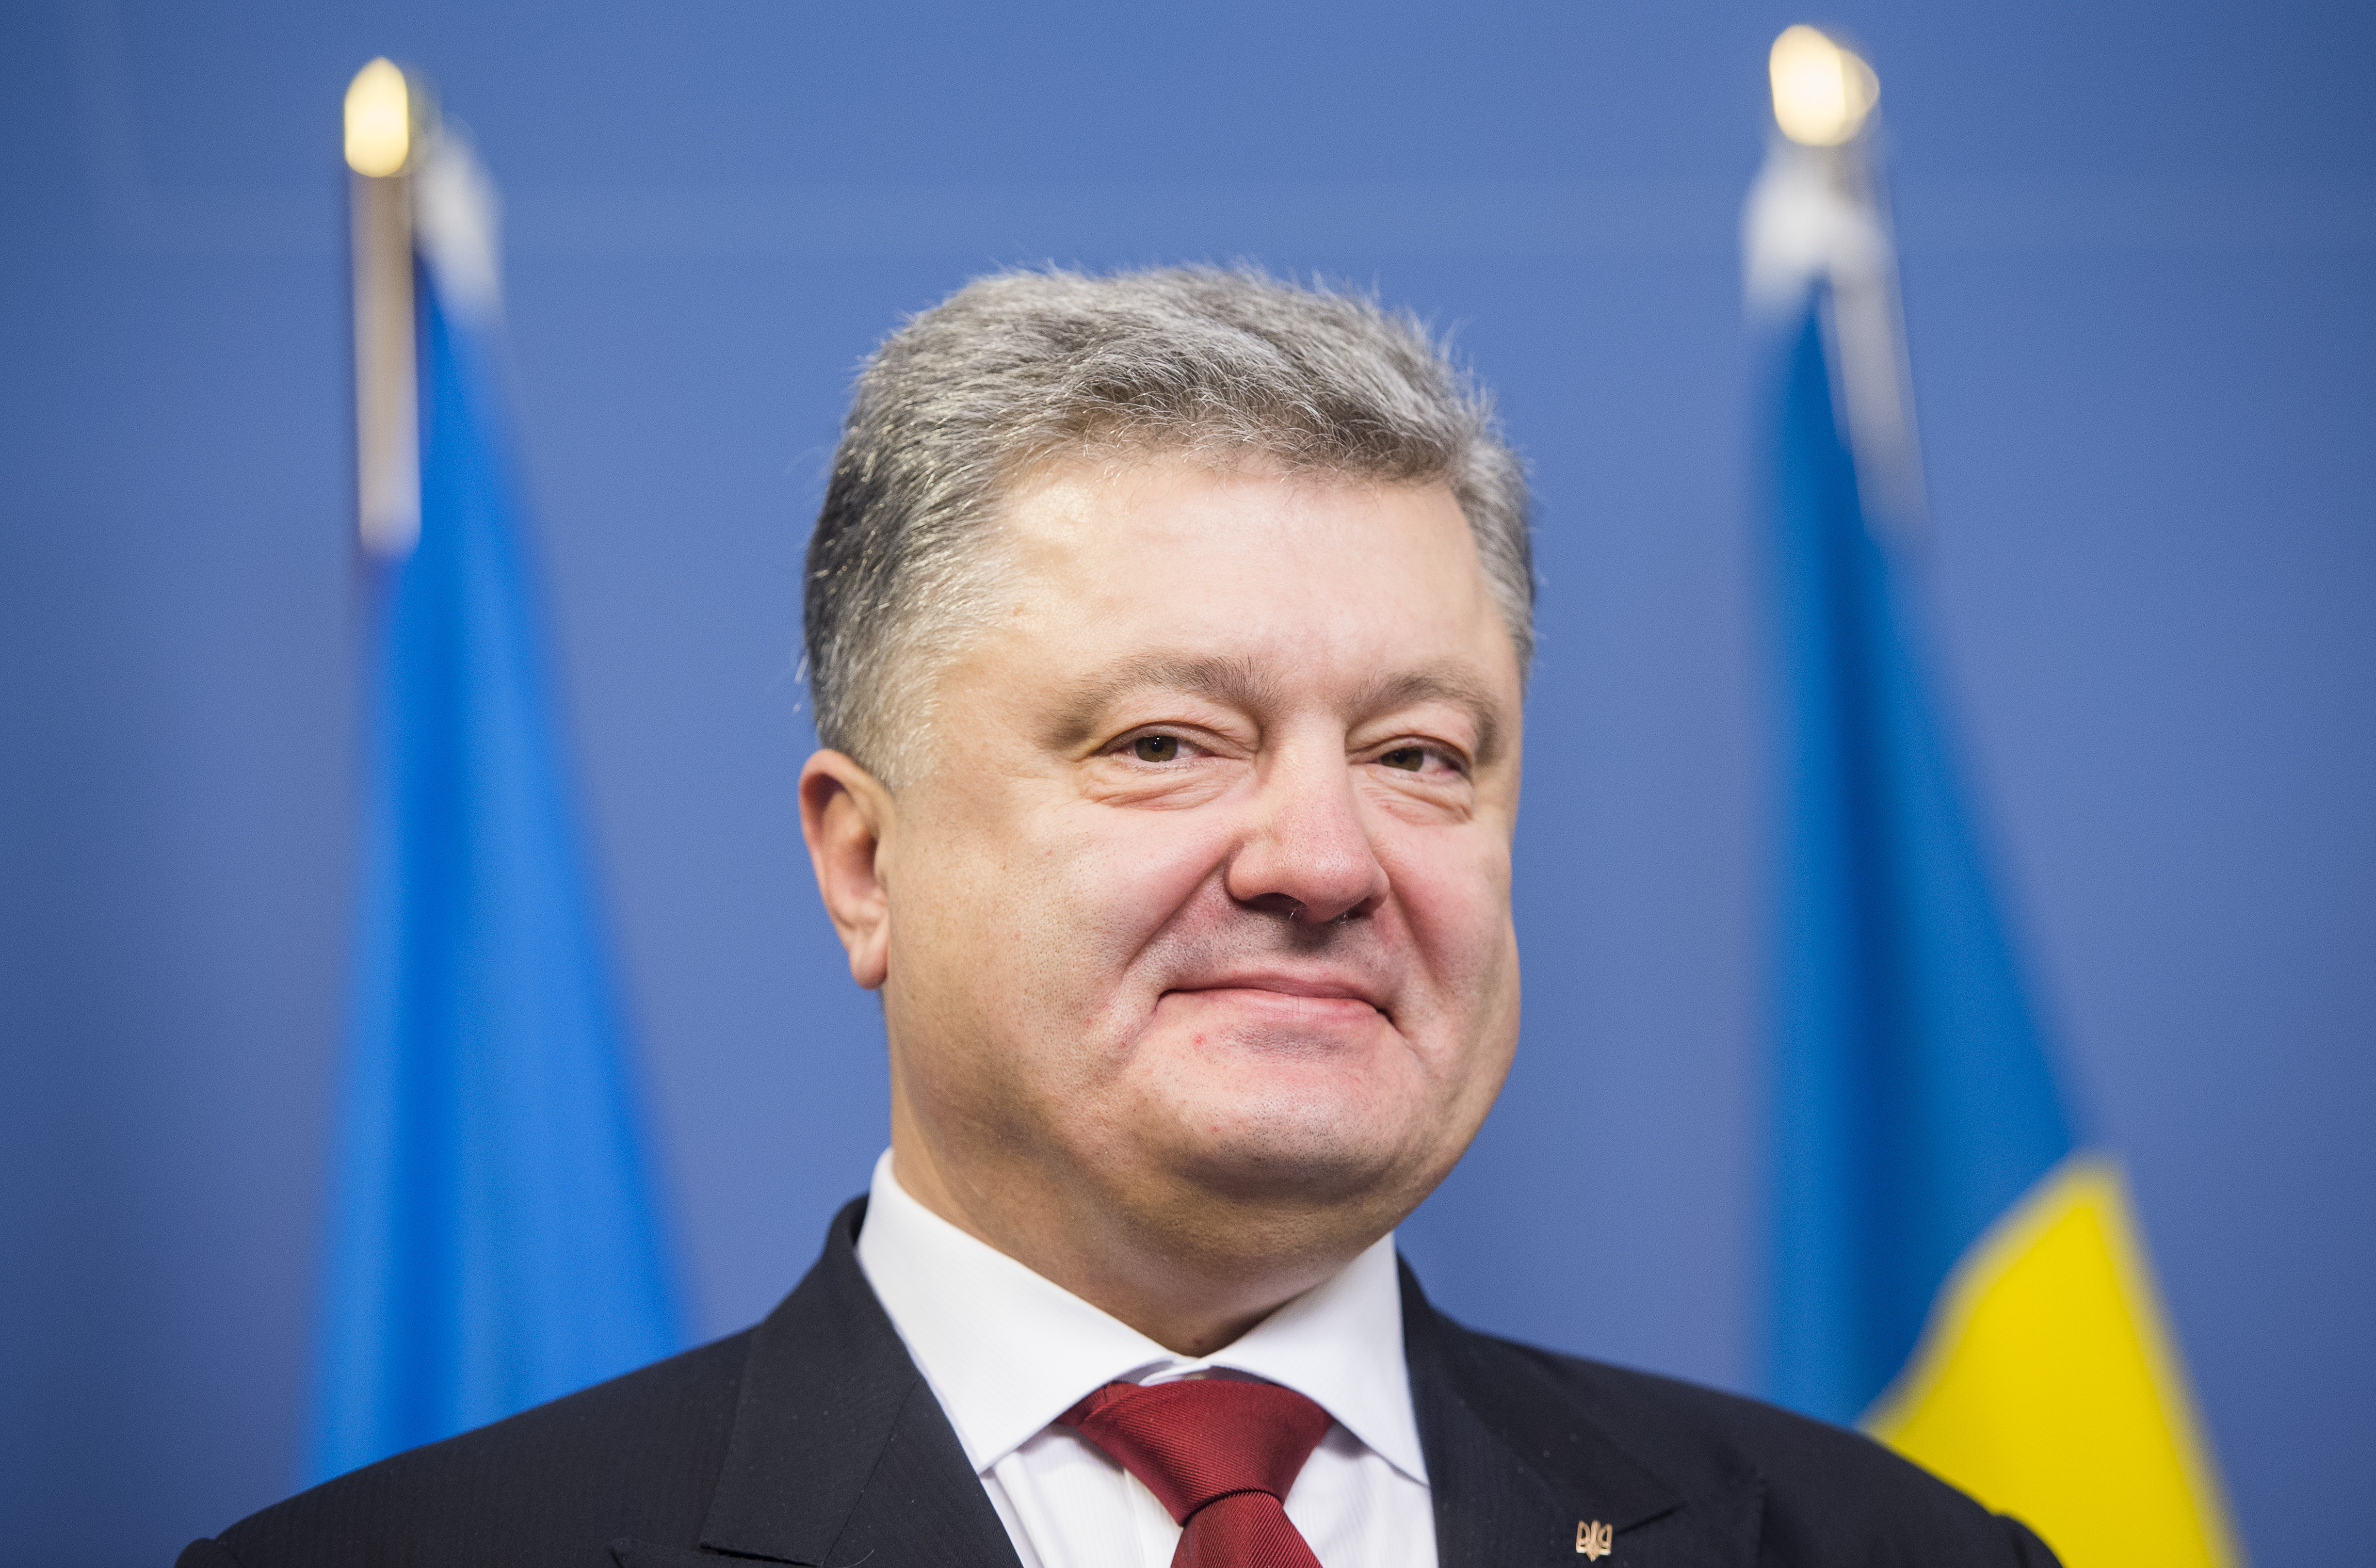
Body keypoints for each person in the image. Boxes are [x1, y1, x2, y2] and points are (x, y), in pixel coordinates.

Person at [180, 267, 2057, 1568]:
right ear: (862, 863)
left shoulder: (1889, 1554)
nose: (1324, 861)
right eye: (1168, 742)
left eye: (1420, 757)